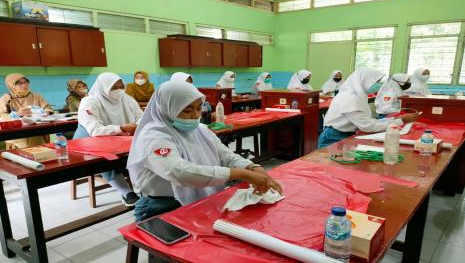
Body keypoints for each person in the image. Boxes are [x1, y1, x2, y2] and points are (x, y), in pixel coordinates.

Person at [127, 80, 282, 221]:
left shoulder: (199, 129)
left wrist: (252, 167)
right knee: (170, 249)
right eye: (187, 110)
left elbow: (225, 156)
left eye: (199, 108)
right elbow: (178, 172)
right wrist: (242, 174)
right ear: (168, 108)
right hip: (162, 204)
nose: (195, 115)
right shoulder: (153, 136)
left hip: (201, 196)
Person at [77, 72, 143, 206]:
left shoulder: (126, 99)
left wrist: (138, 124)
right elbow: (95, 130)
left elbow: (141, 116)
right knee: (105, 159)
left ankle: (146, 188)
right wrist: (122, 128)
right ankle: (126, 193)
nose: (118, 90)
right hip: (91, 141)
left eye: (121, 86)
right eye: (114, 87)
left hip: (120, 138)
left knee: (143, 149)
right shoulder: (90, 101)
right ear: (103, 87)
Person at [318, 67, 419, 148]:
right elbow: (367, 126)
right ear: (364, 80)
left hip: (344, 134)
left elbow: (367, 120)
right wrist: (399, 121)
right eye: (376, 82)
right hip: (333, 137)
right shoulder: (350, 98)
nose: (377, 85)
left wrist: (395, 119)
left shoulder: (358, 95)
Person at [0, 73, 53, 149]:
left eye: (26, 82)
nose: (24, 85)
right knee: (32, 138)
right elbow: (2, 117)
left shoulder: (36, 96)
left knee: (36, 135)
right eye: (20, 83)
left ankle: (39, 156)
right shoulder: (6, 99)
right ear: (11, 85)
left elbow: (49, 109)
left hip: (36, 128)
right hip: (16, 132)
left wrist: (41, 113)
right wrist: (18, 114)